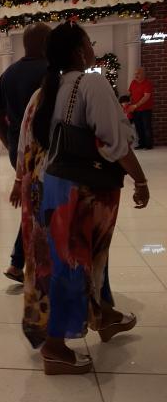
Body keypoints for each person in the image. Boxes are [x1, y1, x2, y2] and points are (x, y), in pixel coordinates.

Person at [10, 22, 149, 375]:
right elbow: (114, 141)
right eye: (88, 41)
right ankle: (55, 347)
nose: (92, 46)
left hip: (45, 190)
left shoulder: (42, 93)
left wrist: (20, 182)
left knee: (63, 262)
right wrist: (140, 178)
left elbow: (25, 145)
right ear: (78, 51)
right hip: (80, 191)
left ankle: (104, 316)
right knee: (72, 264)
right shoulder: (91, 84)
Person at [0, 22, 51, 284]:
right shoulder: (51, 72)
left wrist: (10, 144)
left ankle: (18, 263)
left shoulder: (8, 74)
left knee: (35, 201)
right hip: (45, 149)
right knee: (42, 203)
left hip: (18, 148)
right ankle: (25, 264)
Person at [129, 67, 154, 150]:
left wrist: (135, 105)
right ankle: (142, 144)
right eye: (135, 74)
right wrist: (129, 103)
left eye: (138, 74)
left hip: (145, 109)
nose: (136, 75)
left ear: (143, 74)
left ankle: (148, 145)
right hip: (135, 110)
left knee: (146, 127)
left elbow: (146, 97)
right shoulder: (133, 82)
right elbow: (130, 94)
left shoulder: (147, 83)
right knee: (138, 127)